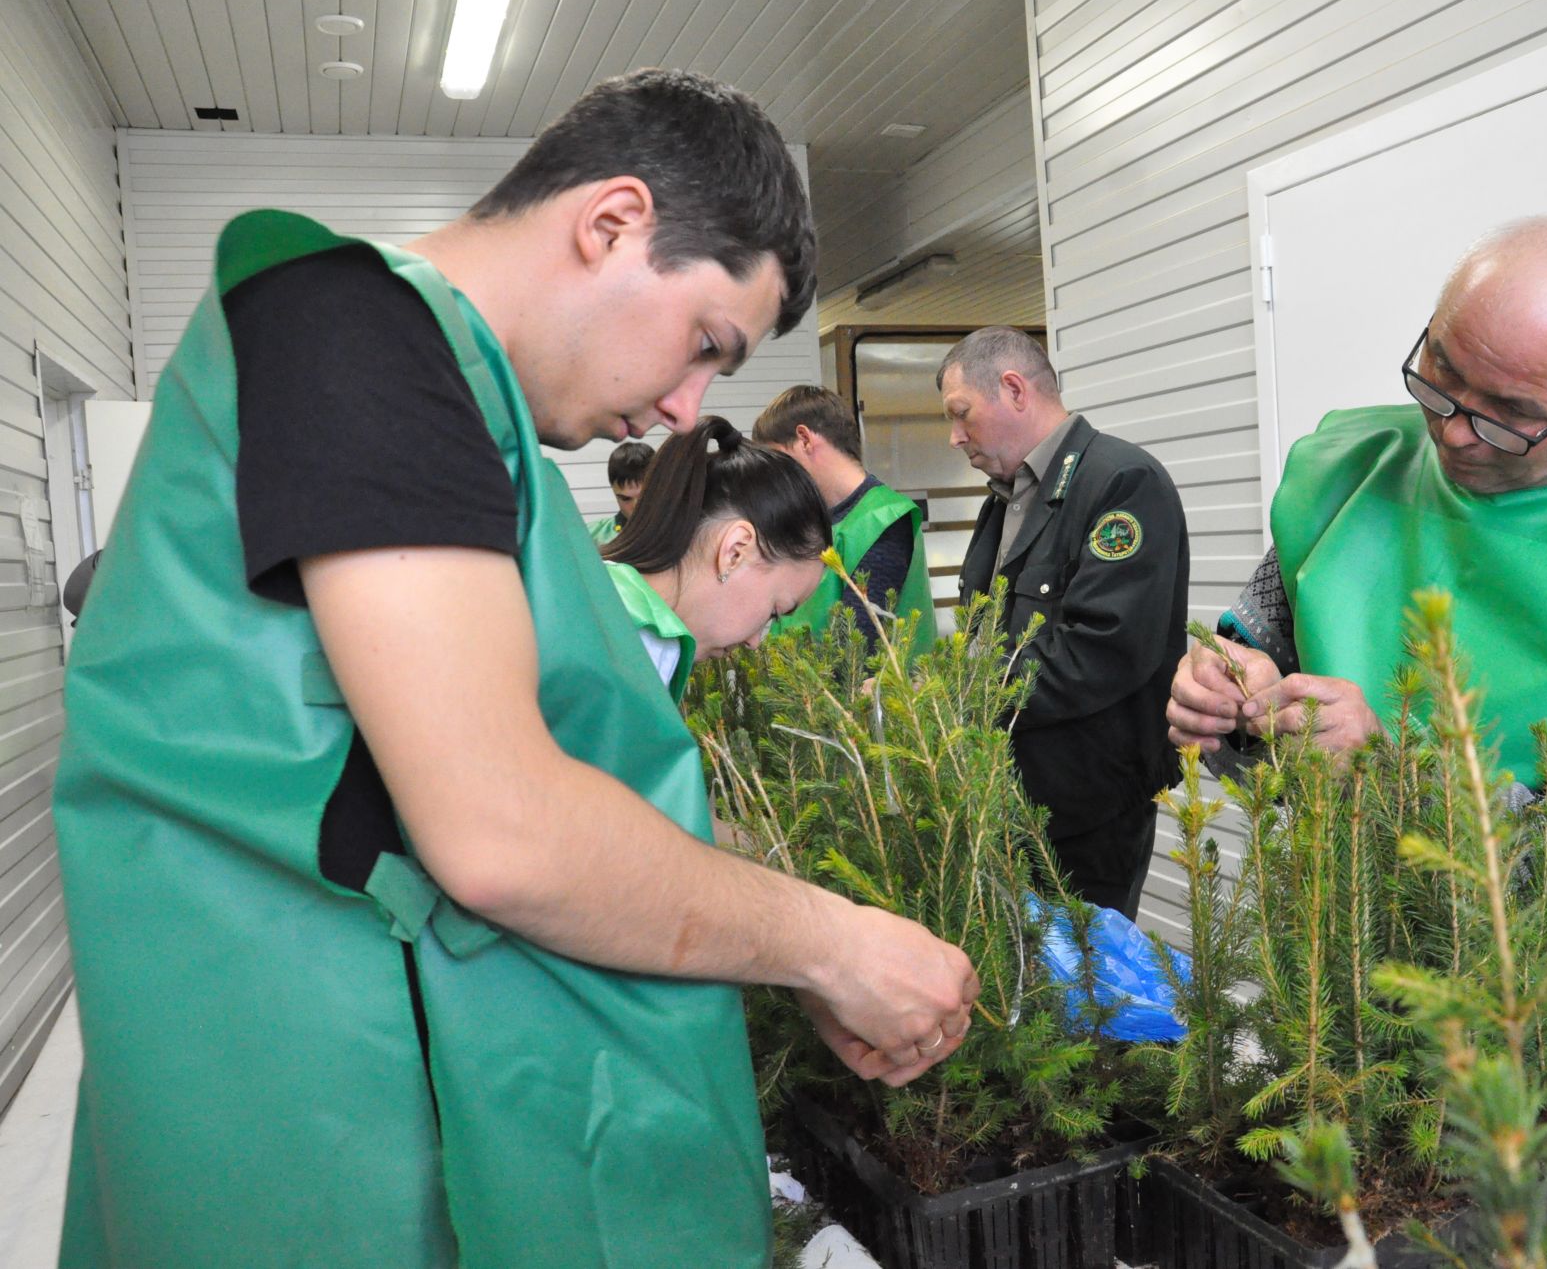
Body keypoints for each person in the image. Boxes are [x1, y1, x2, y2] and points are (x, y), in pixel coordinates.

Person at [52, 70, 978, 1269]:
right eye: (706, 343)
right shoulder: (359, 329)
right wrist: (831, 943)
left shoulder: (466, 411)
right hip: (321, 1108)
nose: (684, 406)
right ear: (611, 223)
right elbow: (499, 826)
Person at [1166, 217, 1547, 1067]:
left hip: (1539, 1042)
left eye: (1510, 417)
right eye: (1441, 376)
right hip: (1329, 983)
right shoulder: (1356, 469)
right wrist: (1227, 700)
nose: (1453, 433)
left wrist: (1397, 775)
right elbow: (1253, 706)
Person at [943, 327, 1189, 920]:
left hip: (1086, 814)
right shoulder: (1003, 501)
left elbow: (1102, 651)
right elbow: (984, 635)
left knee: (1083, 999)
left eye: (961, 414)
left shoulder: (1122, 482)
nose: (955, 437)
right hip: (1007, 802)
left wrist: (954, 692)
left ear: (1013, 389)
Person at [601, 415, 830, 696]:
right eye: (775, 611)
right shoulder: (636, 648)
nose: (754, 642)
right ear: (735, 551)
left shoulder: (602, 598)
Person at [753, 384, 937, 655]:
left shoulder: (882, 520)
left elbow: (855, 655)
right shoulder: (815, 521)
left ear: (804, 439)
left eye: (780, 462)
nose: (777, 479)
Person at [586, 438, 654, 544]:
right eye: (625, 499)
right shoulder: (590, 538)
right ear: (614, 491)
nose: (636, 506)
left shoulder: (684, 535)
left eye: (644, 497)